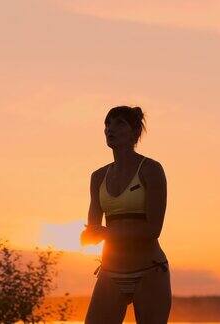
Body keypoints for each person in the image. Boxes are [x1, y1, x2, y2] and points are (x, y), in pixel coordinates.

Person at [80, 105, 171, 323]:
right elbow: (94, 231)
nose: (110, 128)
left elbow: (153, 229)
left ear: (134, 132)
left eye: (119, 123)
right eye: (107, 124)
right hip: (111, 271)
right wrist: (89, 235)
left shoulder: (151, 169)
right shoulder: (98, 177)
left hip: (149, 270)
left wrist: (105, 232)